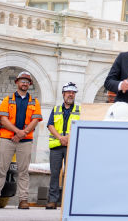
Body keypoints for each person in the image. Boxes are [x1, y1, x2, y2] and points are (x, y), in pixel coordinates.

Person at [0, 71, 42, 210]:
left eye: (26, 81)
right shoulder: (7, 99)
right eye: (22, 81)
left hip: (25, 140)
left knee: (23, 172)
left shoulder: (34, 101)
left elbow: (35, 120)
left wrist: (22, 134)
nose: (24, 83)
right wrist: (18, 132)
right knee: (1, 170)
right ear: (17, 82)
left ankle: (23, 200)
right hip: (7, 139)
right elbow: (3, 120)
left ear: (29, 84)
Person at [46, 82, 80, 210]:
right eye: (68, 92)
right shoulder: (55, 110)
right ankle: (52, 200)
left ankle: (67, 202)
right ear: (63, 94)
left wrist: (68, 138)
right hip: (56, 145)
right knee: (55, 173)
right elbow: (50, 125)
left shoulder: (79, 110)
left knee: (70, 174)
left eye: (73, 92)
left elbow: (80, 126)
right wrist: (61, 138)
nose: (71, 95)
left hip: (71, 146)